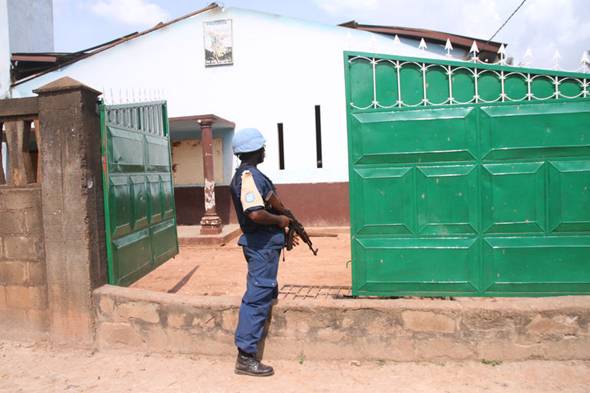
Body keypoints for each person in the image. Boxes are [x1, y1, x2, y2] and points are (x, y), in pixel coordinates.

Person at [229, 127, 292, 377]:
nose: (265, 150)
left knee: (264, 292)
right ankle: (245, 357)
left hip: (263, 246)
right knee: (257, 297)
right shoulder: (248, 176)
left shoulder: (251, 175)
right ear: (255, 150)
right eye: (262, 147)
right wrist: (280, 222)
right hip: (261, 246)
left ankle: (250, 349)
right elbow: (254, 212)